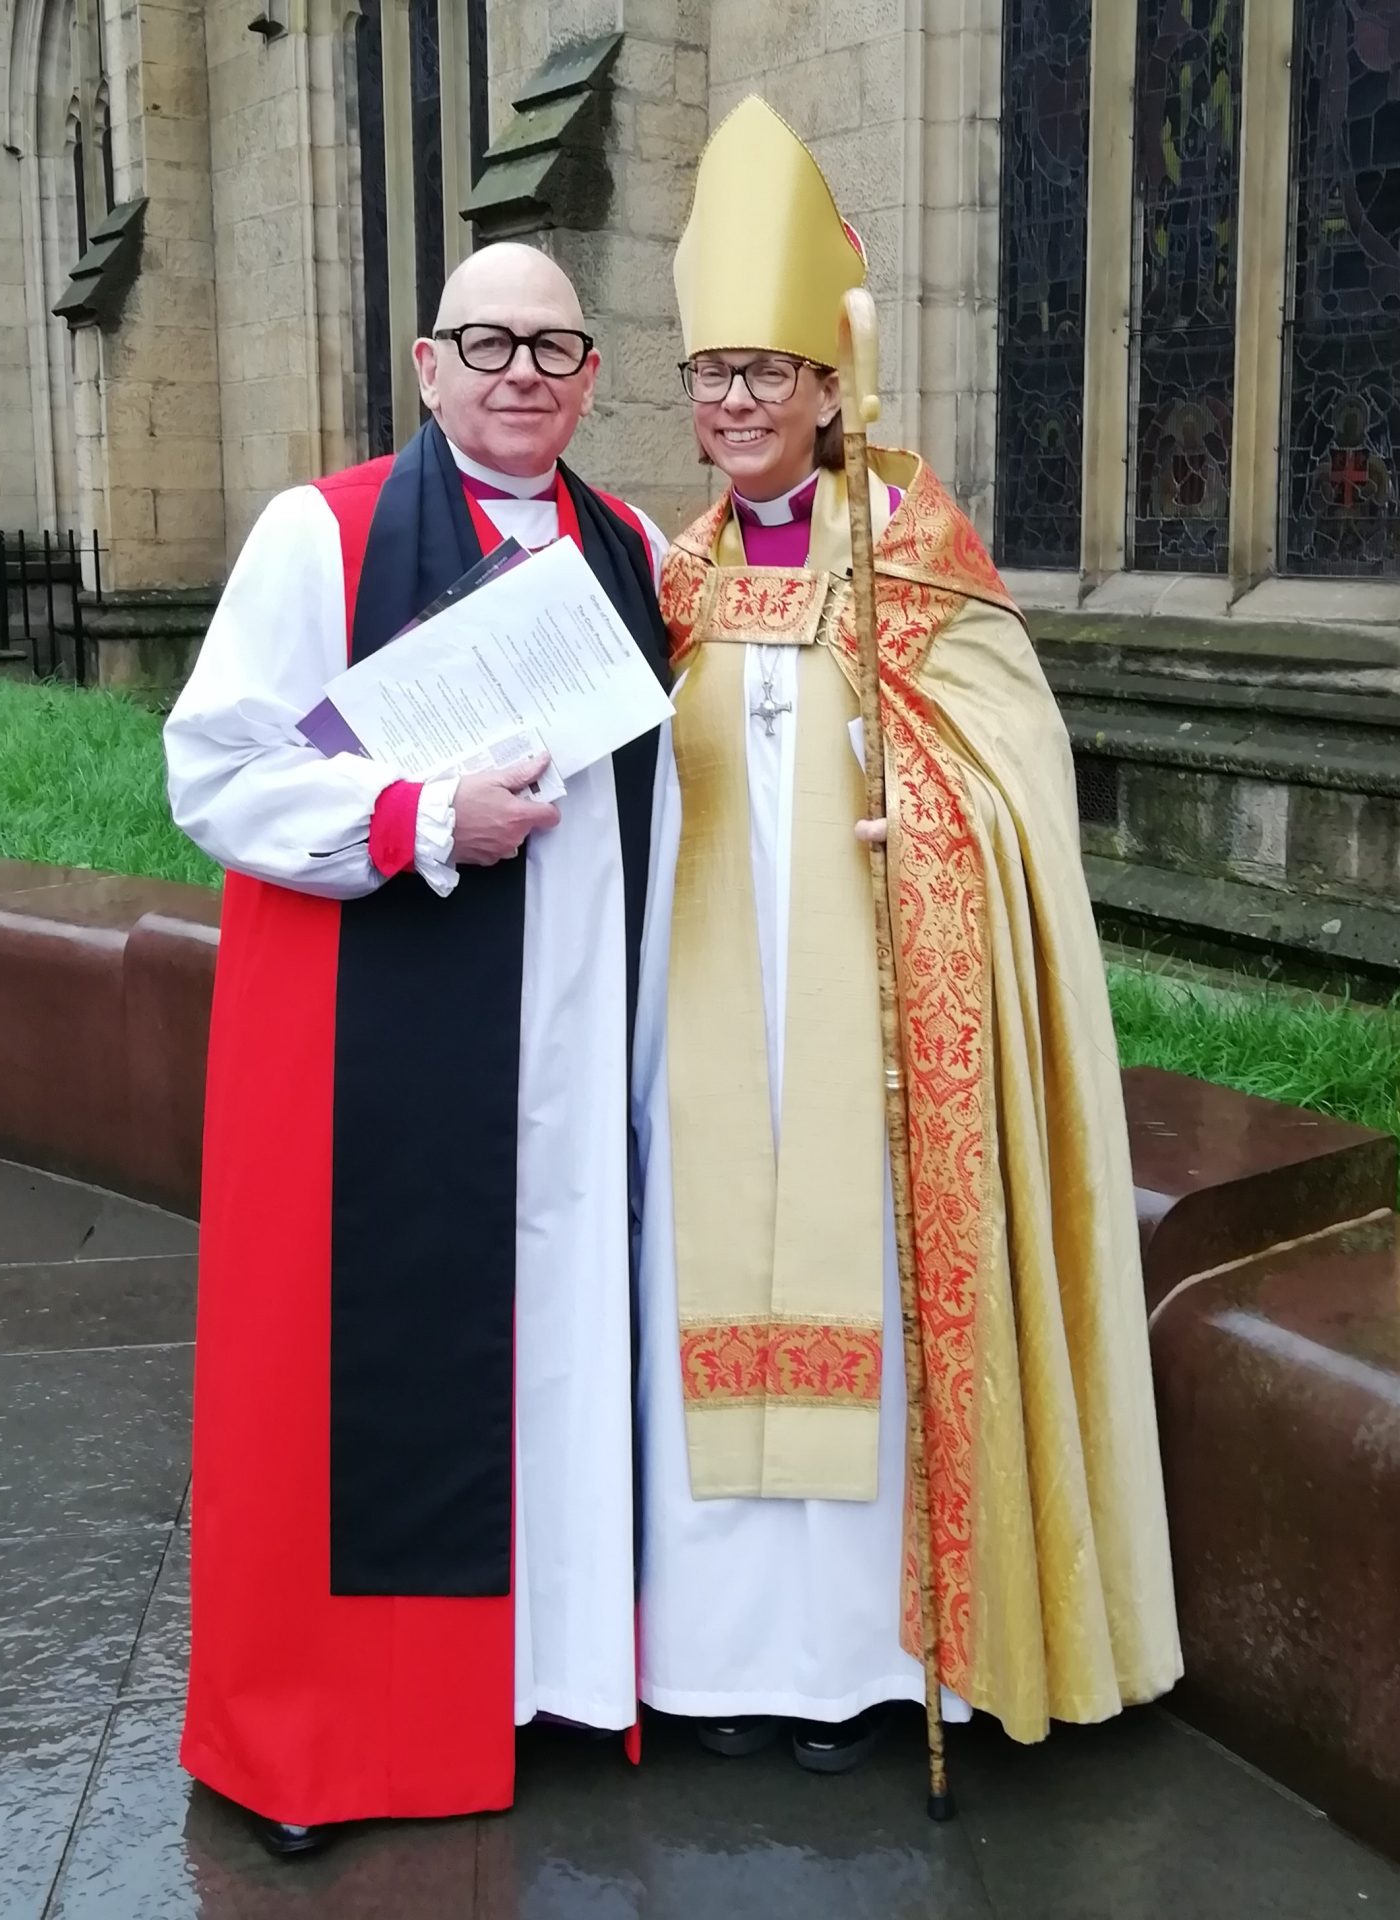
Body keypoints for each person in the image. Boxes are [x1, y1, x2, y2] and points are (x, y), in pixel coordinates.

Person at [632, 96, 1181, 1774]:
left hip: (874, 1008)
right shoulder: (662, 581)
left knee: (867, 1300)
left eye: (765, 374)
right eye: (708, 375)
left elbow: (1019, 770)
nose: (734, 403)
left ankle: (875, 1667)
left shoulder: (917, 565)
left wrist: (927, 825)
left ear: (825, 388)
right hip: (706, 1011)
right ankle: (723, 1659)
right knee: (699, 1299)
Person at [164, 242, 670, 1858]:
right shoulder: (319, 534)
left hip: (579, 1046)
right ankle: (333, 1734)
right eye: (487, 342)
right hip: (374, 1048)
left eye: (554, 347)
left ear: (592, 377)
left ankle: (550, 1684)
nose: (521, 372)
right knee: (362, 1382)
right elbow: (217, 774)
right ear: (427, 361)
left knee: (565, 1343)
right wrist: (419, 814)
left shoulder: (637, 546)